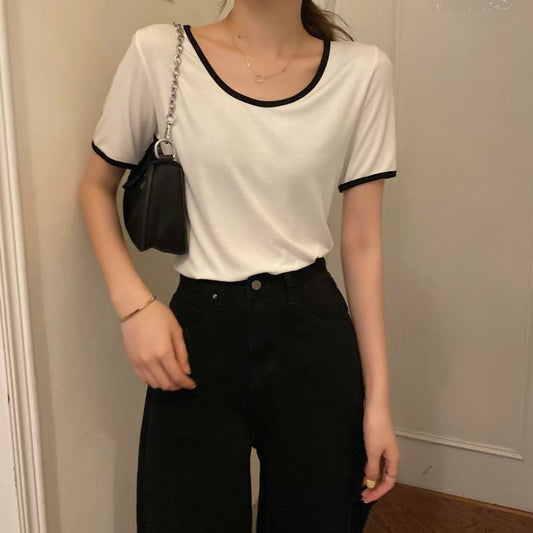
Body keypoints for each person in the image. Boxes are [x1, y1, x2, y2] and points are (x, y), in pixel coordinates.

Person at [78, 1, 400, 531]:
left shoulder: (363, 71)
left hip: (312, 335)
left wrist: (379, 405)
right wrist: (134, 308)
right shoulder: (160, 52)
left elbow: (363, 243)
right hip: (197, 335)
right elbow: (95, 187)